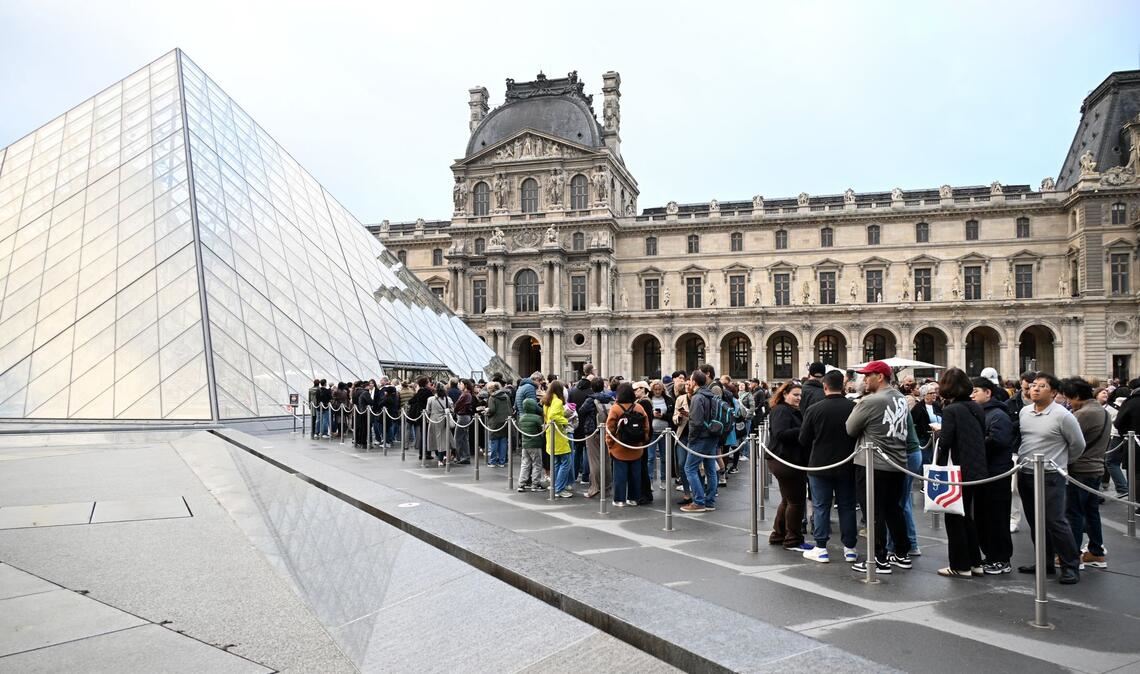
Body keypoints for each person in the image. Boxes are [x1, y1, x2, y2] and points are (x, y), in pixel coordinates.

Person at [1016, 373, 1085, 585]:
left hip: (1051, 475)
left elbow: (1078, 445)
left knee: (1056, 521)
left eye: (1042, 386)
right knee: (1035, 522)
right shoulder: (1024, 412)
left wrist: (1059, 462)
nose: (1034, 389)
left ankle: (1070, 566)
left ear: (1054, 392)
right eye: (1034, 385)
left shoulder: (1063, 415)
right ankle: (1044, 562)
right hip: (1025, 472)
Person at [845, 360, 912, 574]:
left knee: (873, 512)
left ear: (880, 377)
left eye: (868, 375)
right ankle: (902, 553)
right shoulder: (901, 398)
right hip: (897, 462)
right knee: (894, 509)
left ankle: (878, 558)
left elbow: (850, 428)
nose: (864, 379)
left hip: (873, 463)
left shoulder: (870, 401)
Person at [799, 370, 859, 563]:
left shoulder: (814, 409)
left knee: (821, 506)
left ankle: (821, 547)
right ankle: (850, 548)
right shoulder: (853, 407)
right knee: (847, 506)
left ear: (824, 386)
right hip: (848, 463)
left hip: (820, 464)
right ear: (842, 385)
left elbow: (804, 439)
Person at [934, 367, 988, 578]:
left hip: (957, 469)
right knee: (967, 517)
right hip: (976, 468)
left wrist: (937, 468)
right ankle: (975, 562)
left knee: (954, 517)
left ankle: (959, 565)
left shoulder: (950, 410)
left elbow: (946, 442)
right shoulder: (976, 406)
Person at [1062, 377, 1110, 569]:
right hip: (1096, 467)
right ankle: (1096, 552)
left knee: (1074, 513)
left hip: (1081, 469)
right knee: (1091, 511)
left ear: (1076, 396)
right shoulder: (1100, 410)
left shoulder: (1083, 414)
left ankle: (1073, 555)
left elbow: (1067, 439)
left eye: (1068, 398)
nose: (1068, 402)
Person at [971, 376, 1015, 574]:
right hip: (984, 472)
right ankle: (990, 554)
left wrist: (974, 442)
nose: (972, 395)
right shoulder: (983, 413)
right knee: (983, 516)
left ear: (988, 393)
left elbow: (998, 440)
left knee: (997, 517)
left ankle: (1001, 558)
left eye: (976, 391)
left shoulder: (998, 415)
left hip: (996, 473)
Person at [766, 381, 810, 551]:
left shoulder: (787, 410)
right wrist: (805, 429)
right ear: (785, 394)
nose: (799, 398)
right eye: (795, 394)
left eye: (800, 395)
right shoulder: (782, 410)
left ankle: (778, 534)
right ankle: (793, 539)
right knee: (796, 501)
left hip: (786, 459)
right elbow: (780, 433)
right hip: (785, 459)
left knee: (788, 499)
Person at [681, 371, 720, 513]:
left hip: (700, 437)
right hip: (712, 435)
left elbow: (696, 422)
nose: (688, 383)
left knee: (689, 468)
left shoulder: (697, 397)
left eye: (690, 380)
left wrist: (691, 439)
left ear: (694, 382)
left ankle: (698, 501)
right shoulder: (711, 395)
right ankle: (709, 501)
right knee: (710, 469)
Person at [606, 382, 650, 507]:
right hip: (636, 446)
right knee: (635, 474)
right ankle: (633, 498)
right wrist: (643, 440)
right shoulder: (639, 408)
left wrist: (610, 443)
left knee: (620, 475)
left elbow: (610, 428)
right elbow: (646, 426)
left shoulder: (615, 408)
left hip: (619, 447)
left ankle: (620, 499)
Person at [1007, 371, 1038, 533]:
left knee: (1036, 486)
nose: (1028, 391)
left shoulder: (1042, 402)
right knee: (1014, 488)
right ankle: (1013, 519)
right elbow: (1008, 427)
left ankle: (1038, 518)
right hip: (1016, 449)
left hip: (1037, 451)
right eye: (1026, 388)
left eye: (1032, 387)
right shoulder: (1011, 403)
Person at [579, 377, 611, 499]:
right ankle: (607, 487)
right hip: (607, 430)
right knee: (607, 460)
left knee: (594, 460)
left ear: (592, 387)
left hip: (593, 431)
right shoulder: (609, 398)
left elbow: (581, 411)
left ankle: (595, 488)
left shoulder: (590, 399)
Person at [543, 381, 574, 498]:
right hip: (558, 434)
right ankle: (559, 488)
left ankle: (555, 485)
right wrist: (566, 421)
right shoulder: (557, 401)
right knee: (566, 461)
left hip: (551, 433)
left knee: (556, 462)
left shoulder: (547, 400)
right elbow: (554, 416)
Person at [648, 380, 673, 491]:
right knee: (650, 458)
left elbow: (672, 415)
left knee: (665, 457)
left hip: (665, 431)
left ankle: (664, 480)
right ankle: (649, 481)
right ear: (652, 389)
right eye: (655, 389)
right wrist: (652, 414)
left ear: (663, 389)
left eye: (659, 389)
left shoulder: (668, 400)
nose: (657, 391)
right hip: (652, 432)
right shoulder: (648, 400)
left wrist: (662, 415)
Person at [516, 398, 546, 491]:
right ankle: (535, 484)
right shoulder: (537, 418)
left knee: (525, 464)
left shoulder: (522, 418)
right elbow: (541, 431)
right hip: (535, 444)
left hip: (525, 444)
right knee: (537, 464)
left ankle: (522, 483)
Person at [425, 384, 454, 466]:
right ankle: (444, 455)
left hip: (434, 420)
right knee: (445, 439)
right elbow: (452, 409)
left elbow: (428, 411)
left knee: (437, 440)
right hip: (445, 420)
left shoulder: (430, 399)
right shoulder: (448, 399)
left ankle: (440, 458)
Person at [485, 381, 511, 466]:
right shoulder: (506, 396)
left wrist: (487, 411)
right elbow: (510, 408)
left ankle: (493, 461)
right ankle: (502, 461)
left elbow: (492, 410)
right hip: (505, 421)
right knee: (503, 441)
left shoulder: (492, 398)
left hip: (495, 422)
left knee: (494, 441)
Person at [453, 380, 475, 464]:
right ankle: (465, 456)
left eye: (461, 384)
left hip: (462, 417)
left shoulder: (466, 395)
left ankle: (460, 456)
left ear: (465, 385)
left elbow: (458, 405)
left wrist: (455, 409)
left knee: (458, 438)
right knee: (464, 438)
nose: (459, 385)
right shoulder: (467, 394)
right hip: (464, 417)